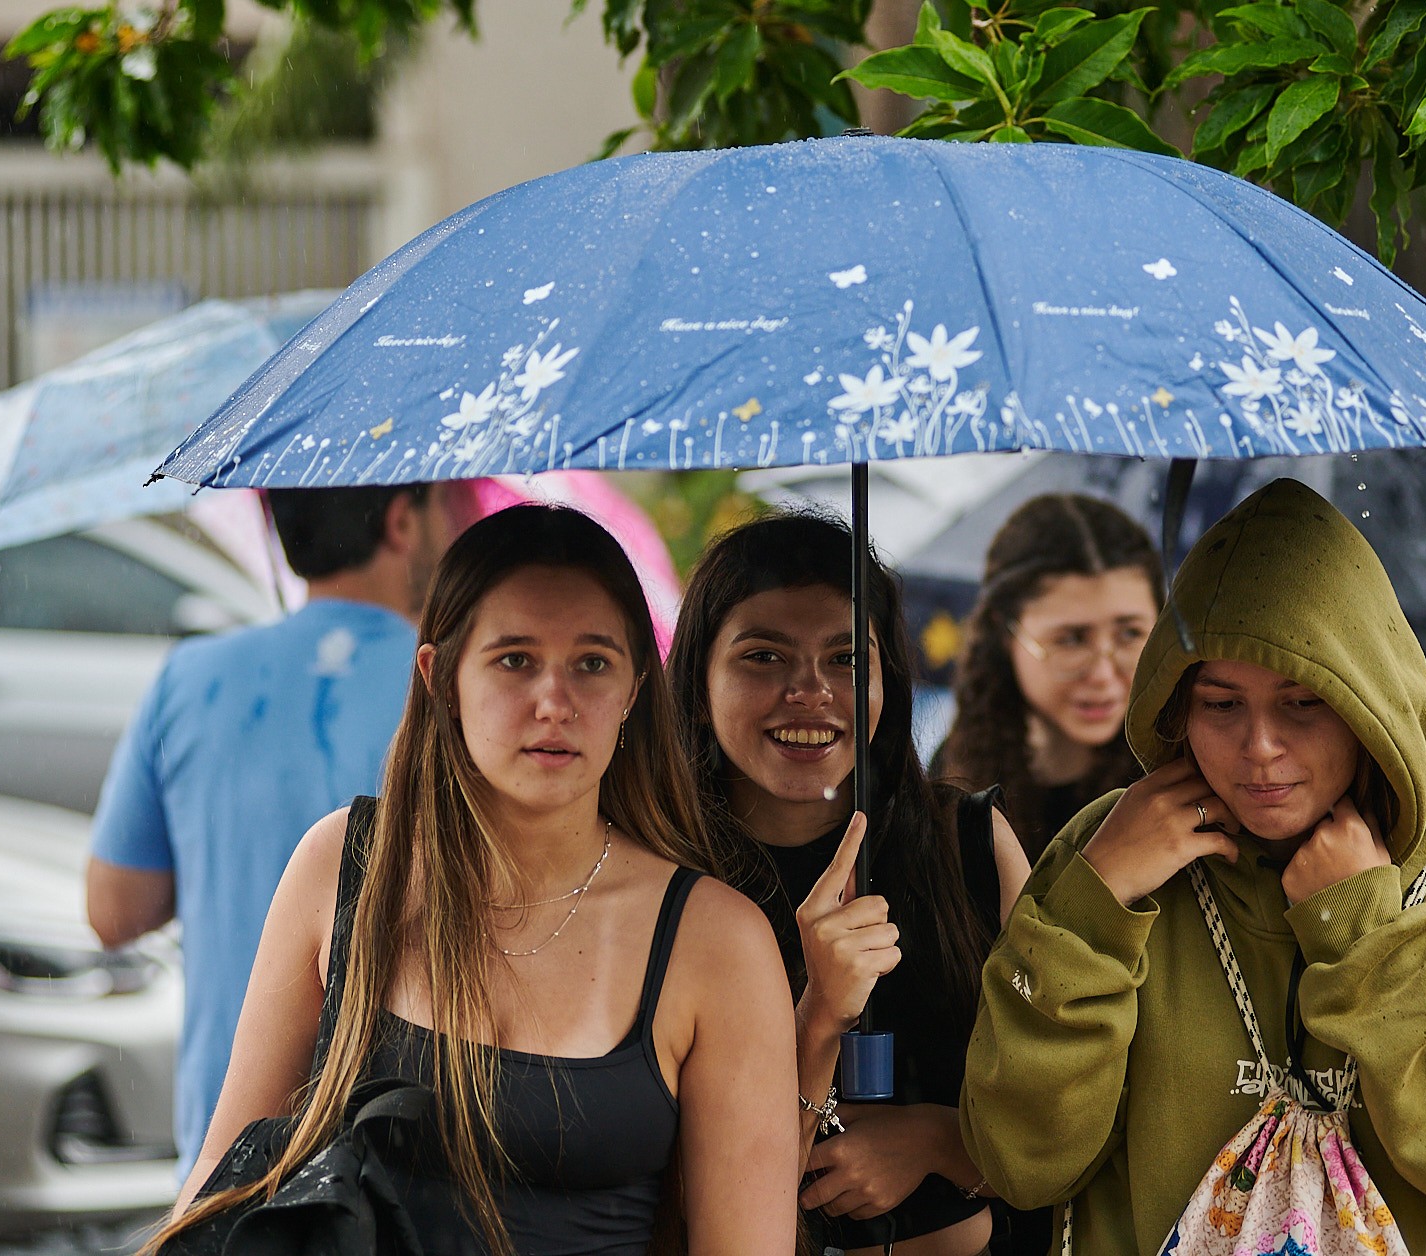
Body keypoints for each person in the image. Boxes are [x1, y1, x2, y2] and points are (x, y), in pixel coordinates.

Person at [960, 478, 1426, 1254]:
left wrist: (1368, 939)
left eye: (1303, 704)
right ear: (1175, 707)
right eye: (1221, 705)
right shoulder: (1109, 853)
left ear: (1371, 706)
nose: (1259, 748)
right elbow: (1020, 1164)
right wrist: (1093, 911)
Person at [156, 504, 799, 1254]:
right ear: (440, 676)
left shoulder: (715, 940)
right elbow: (221, 1175)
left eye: (592, 663)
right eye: (515, 659)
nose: (554, 703)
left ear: (633, 689)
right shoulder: (343, 869)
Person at [85, 482, 481, 1176]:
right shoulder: (461, 687)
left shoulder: (191, 678)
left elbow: (114, 910)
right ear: (400, 521)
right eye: (439, 507)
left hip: (232, 1152)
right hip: (401, 1160)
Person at [668, 512, 1030, 1256]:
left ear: (889, 679)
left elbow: (1072, 1114)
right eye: (764, 657)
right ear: (699, 680)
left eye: (845, 659)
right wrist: (820, 1017)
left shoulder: (969, 845)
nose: (810, 692)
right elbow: (666, 1185)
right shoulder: (656, 878)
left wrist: (942, 1140)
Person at [938, 494, 1161, 861]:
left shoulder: (1186, 774)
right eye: (1071, 639)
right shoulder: (954, 783)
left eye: (1130, 634)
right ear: (1005, 633)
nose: (1104, 675)